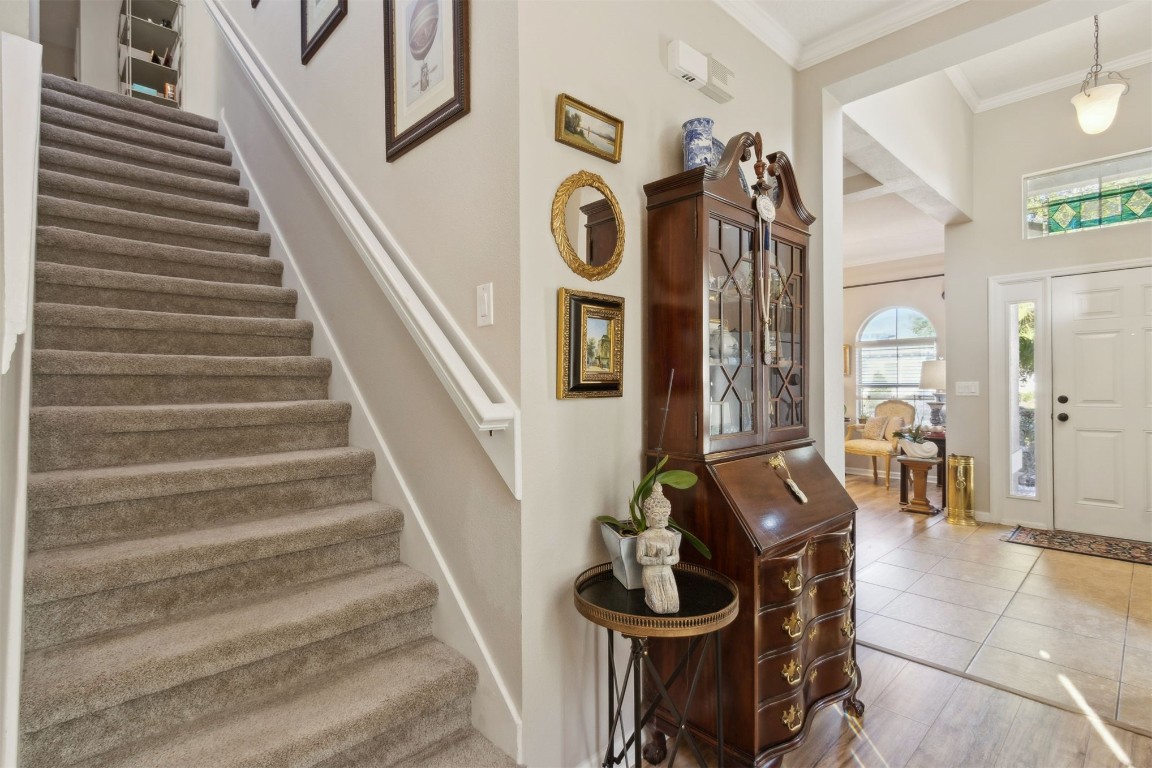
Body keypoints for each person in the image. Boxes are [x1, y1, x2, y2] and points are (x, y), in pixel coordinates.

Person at [636, 481, 680, 614]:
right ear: (647, 517)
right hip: (651, 573)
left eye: (664, 514)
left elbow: (676, 557)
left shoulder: (671, 536)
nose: (660, 519)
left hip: (666, 572)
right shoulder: (644, 537)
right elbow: (640, 558)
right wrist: (655, 560)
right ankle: (649, 598)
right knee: (660, 608)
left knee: (673, 606)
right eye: (655, 515)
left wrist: (666, 560)